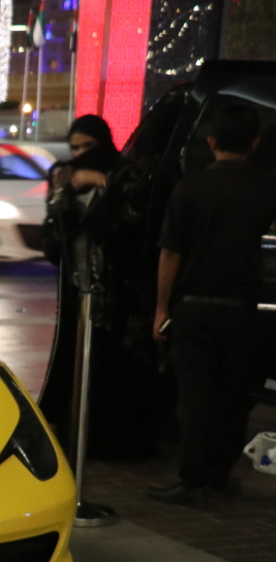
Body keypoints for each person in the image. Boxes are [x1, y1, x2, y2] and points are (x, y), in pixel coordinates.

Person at [147, 100, 276, 508]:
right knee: (236, 395)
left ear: (211, 141)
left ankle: (193, 479)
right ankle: (220, 475)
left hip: (194, 308)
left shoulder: (190, 188)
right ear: (254, 143)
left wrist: (161, 307)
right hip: (243, 309)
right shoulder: (266, 188)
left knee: (196, 396)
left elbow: (170, 254)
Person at [37, 114, 160, 462]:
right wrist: (62, 191)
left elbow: (133, 225)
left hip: (119, 292)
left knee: (117, 368)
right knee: (77, 364)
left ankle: (117, 442)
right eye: (74, 147)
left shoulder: (127, 176)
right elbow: (54, 237)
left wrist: (103, 183)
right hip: (79, 289)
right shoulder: (64, 176)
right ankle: (77, 439)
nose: (80, 155)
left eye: (87, 147)